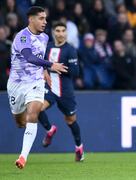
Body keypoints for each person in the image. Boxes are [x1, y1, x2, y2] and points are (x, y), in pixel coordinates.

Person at [7, 6, 67, 169]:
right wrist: (51, 64)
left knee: (33, 114)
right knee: (20, 122)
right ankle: (33, 129)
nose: (45, 22)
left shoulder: (44, 37)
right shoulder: (22, 37)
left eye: (45, 18)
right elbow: (29, 57)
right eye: (41, 18)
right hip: (17, 85)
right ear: (31, 19)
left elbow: (39, 58)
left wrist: (46, 70)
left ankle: (22, 157)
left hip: (35, 82)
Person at [38, 22, 84, 162]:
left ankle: (79, 147)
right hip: (49, 87)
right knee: (37, 108)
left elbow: (76, 72)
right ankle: (49, 129)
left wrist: (57, 68)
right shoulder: (48, 47)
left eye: (63, 31)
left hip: (65, 91)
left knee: (70, 120)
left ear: (66, 33)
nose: (60, 33)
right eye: (57, 30)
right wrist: (49, 67)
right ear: (53, 32)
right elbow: (41, 64)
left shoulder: (70, 50)